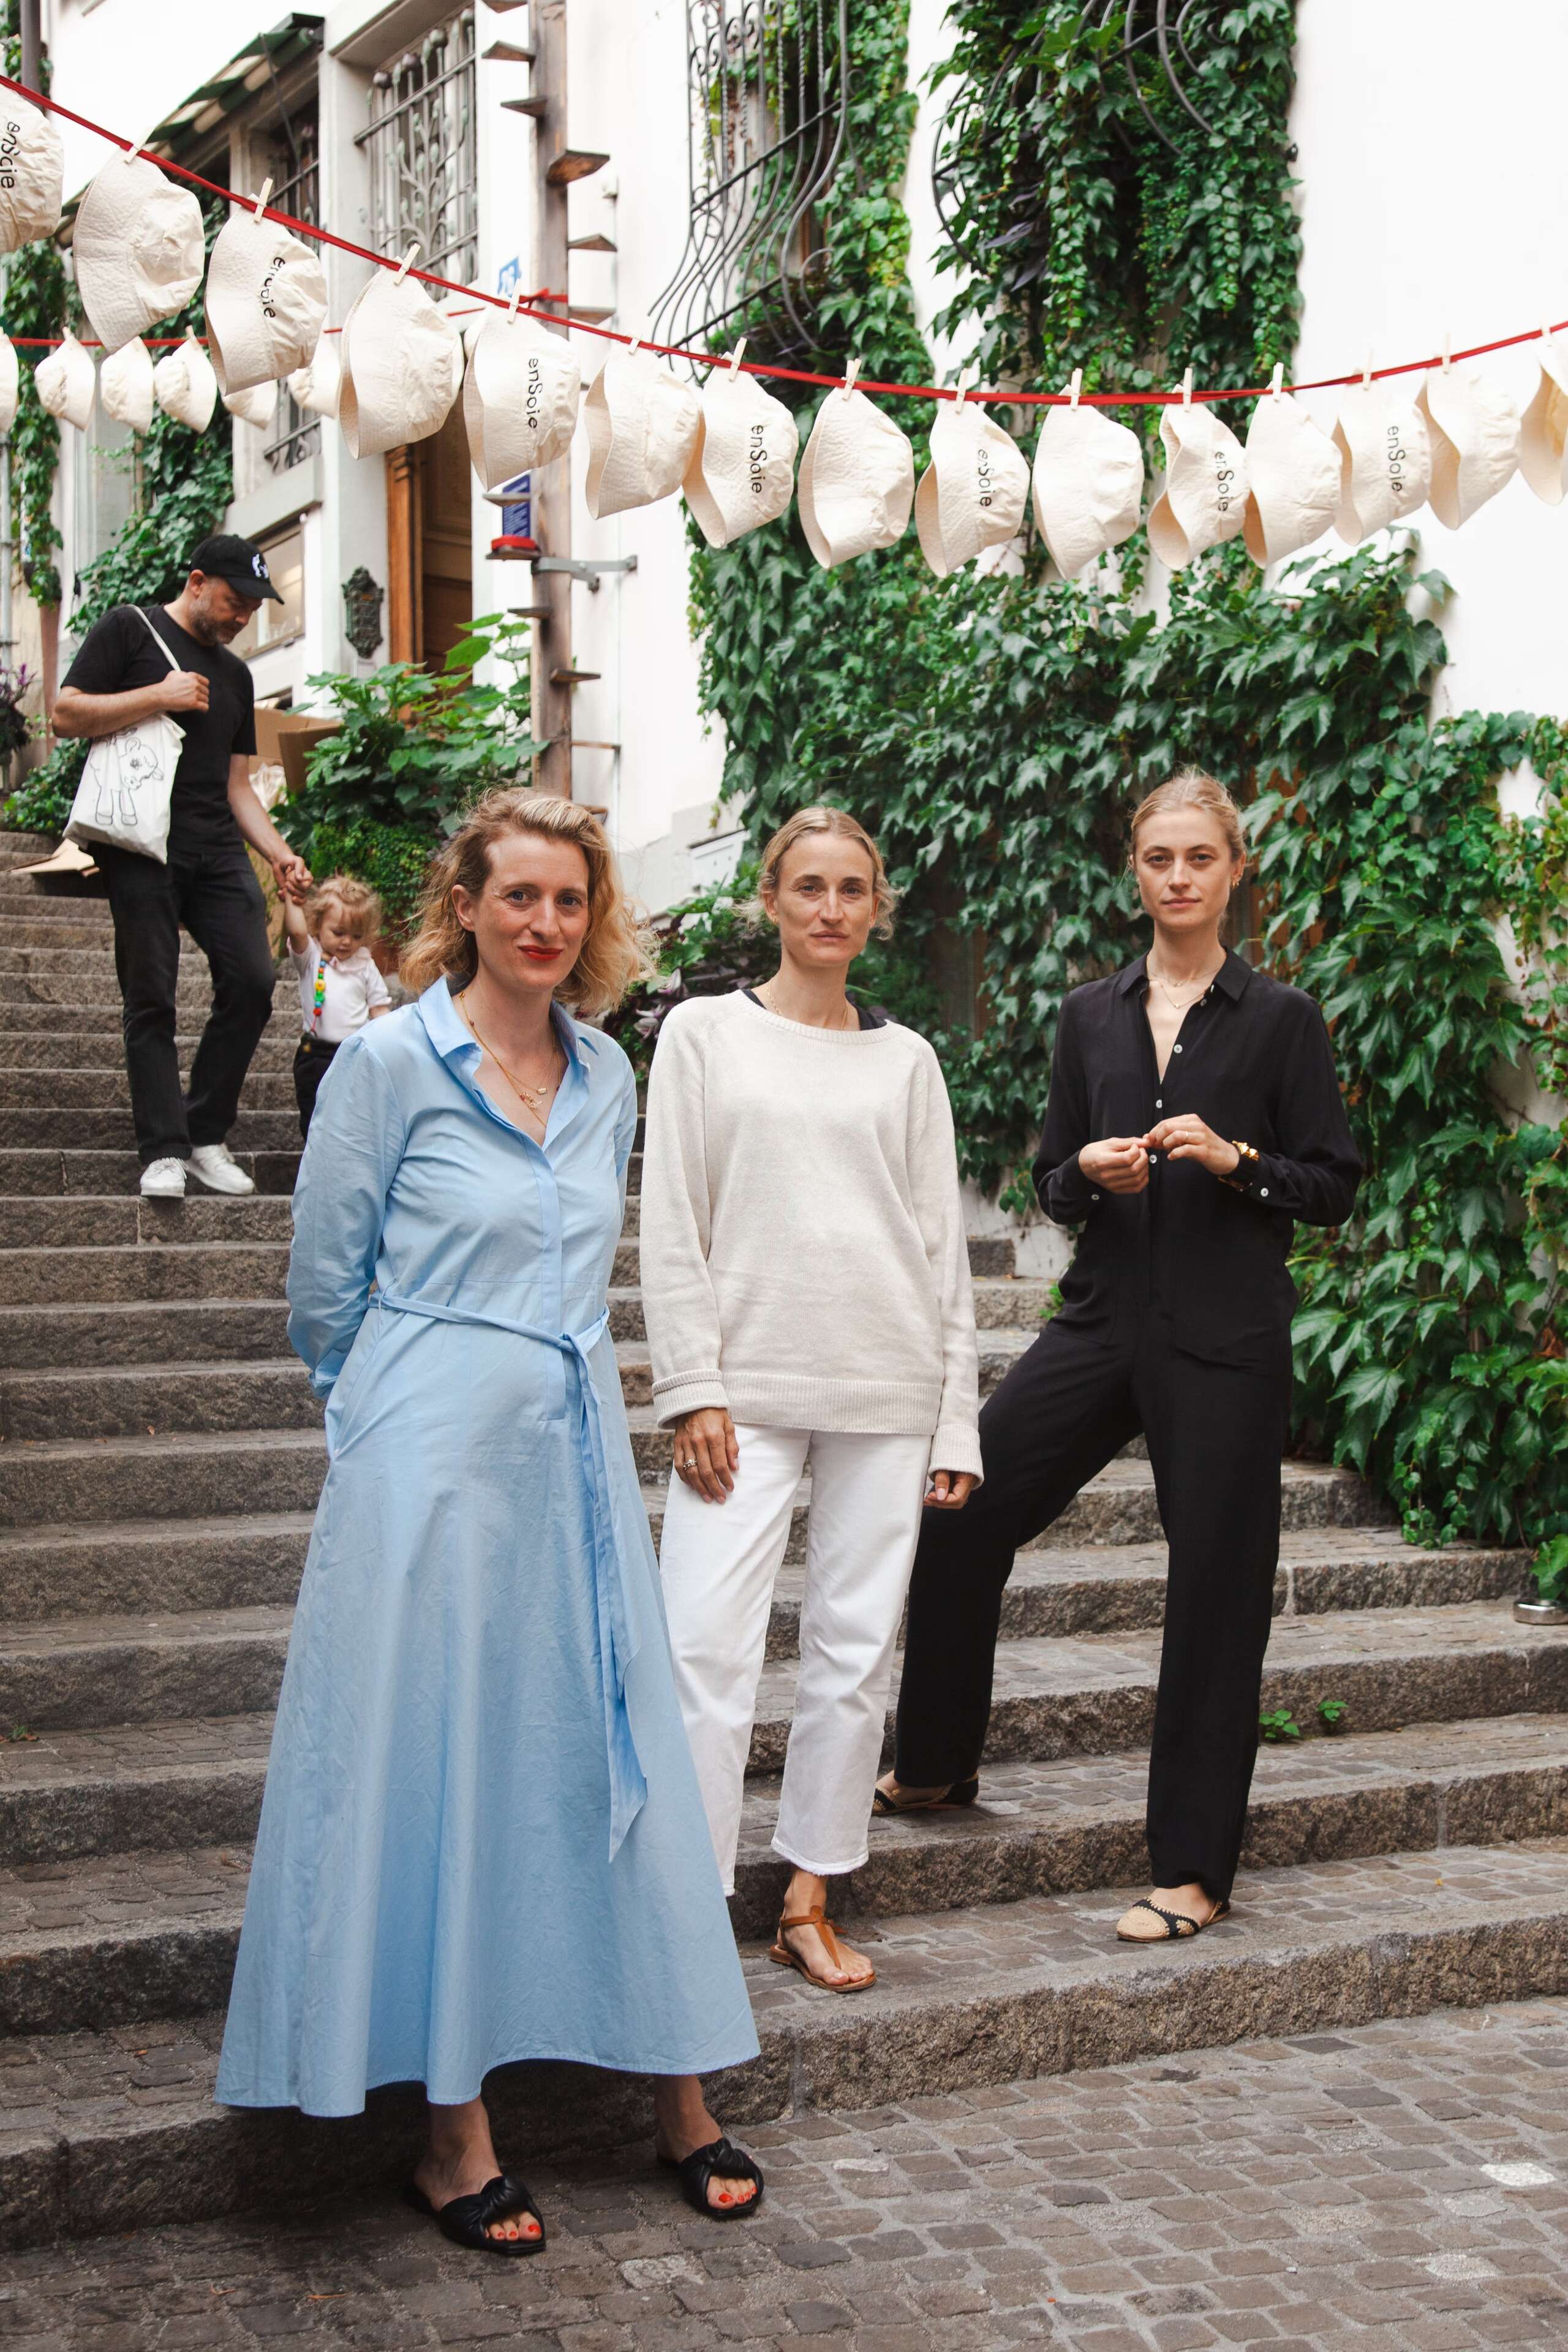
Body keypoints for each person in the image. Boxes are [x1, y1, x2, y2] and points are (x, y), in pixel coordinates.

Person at [216, 788, 764, 2249]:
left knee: (613, 1740)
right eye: (517, 894)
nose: (543, 922)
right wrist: (390, 1415)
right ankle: (453, 2136)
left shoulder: (606, 1076)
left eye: (569, 901)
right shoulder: (389, 1062)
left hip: (571, 1445)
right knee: (446, 1757)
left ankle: (677, 2085)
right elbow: (320, 1287)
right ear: (463, 901)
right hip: (427, 1453)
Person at [878, 770, 1362, 1944]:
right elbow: (1050, 1179)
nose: (1180, 877)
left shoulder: (1283, 1018)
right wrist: (1083, 1176)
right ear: (1135, 871)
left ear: (1235, 870)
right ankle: (935, 1762)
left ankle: (1193, 1871)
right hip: (1100, 1320)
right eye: (1160, 858)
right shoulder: (1090, 1015)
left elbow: (1332, 1186)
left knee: (1215, 1590)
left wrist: (1237, 1158)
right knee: (960, 1505)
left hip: (1225, 1340)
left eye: (1201, 858)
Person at [642, 806, 981, 1996]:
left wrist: (955, 1421)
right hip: (742, 1393)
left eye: (851, 888)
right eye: (807, 887)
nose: (830, 907)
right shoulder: (699, 1036)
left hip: (884, 1388)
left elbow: (939, 1251)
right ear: (770, 900)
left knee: (850, 1654)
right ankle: (678, 1911)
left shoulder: (906, 1061)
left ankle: (807, 1894)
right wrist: (689, 1384)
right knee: (700, 1649)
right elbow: (670, 1220)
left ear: (874, 906)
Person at [50, 534, 312, 1200]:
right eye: (234, 602)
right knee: (152, 994)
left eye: (254, 608)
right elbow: (66, 712)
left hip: (216, 845)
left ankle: (203, 1134)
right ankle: (163, 1148)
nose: (242, 618)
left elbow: (239, 786)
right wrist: (157, 696)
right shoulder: (128, 630)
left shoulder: (237, 676)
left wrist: (280, 854)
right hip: (140, 844)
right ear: (197, 582)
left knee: (254, 979)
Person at [282, 872, 392, 1139]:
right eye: (338, 933)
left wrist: (388, 1045)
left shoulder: (364, 964)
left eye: (356, 936)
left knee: (353, 1119)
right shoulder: (311, 957)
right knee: (315, 1119)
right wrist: (292, 898)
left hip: (355, 1054)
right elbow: (297, 931)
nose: (347, 942)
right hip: (316, 1055)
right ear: (318, 924)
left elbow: (379, 1007)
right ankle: (316, 1165)